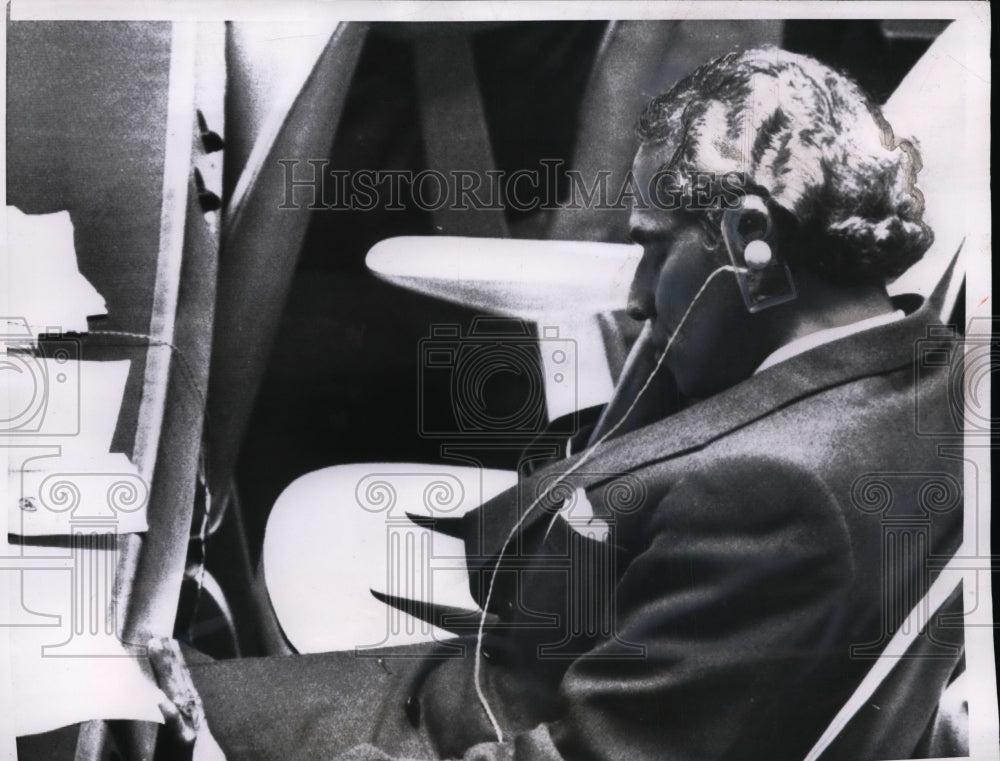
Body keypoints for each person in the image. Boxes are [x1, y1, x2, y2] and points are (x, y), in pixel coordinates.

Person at [152, 46, 963, 761]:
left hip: (470, 726)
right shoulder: (923, 362)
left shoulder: (783, 499)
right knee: (153, 682)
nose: (639, 296)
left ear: (752, 237)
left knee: (130, 714)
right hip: (518, 660)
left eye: (649, 248)